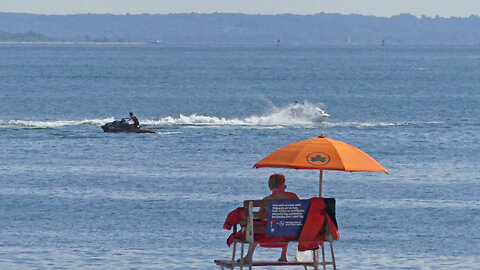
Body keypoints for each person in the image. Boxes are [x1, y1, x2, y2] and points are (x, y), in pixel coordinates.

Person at [241, 174, 299, 263]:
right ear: (282, 185)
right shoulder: (293, 197)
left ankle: (249, 255)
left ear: (270, 187)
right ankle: (283, 255)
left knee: (257, 227)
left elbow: (259, 218)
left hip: (270, 235)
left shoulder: (266, 200)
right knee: (285, 223)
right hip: (291, 233)